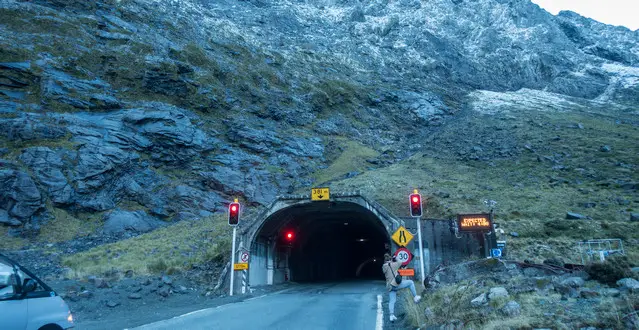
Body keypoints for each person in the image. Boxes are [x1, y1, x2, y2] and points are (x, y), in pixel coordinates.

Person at [381, 253, 421, 322]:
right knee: (410, 282)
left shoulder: (384, 267)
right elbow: (400, 262)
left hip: (390, 286)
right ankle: (415, 297)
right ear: (391, 259)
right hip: (396, 284)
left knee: (392, 301)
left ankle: (391, 315)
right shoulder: (394, 265)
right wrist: (396, 258)